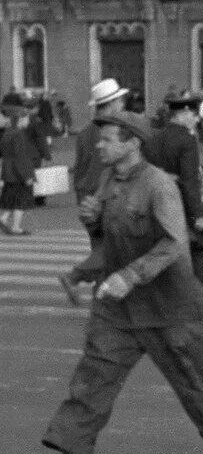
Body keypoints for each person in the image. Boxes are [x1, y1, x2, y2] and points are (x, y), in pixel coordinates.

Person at [24, 112, 203, 454]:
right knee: (93, 376)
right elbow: (113, 241)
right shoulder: (109, 179)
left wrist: (131, 276)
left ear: (131, 143)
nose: (98, 145)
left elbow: (174, 242)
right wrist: (89, 230)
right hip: (118, 306)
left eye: (107, 139)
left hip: (167, 302)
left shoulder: (159, 185)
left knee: (190, 374)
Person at [58, 80, 133, 301]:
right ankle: (75, 278)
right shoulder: (113, 131)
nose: (123, 104)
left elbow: (79, 169)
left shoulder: (83, 133)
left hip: (86, 195)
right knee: (109, 250)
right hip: (105, 196)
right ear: (110, 104)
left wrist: (82, 197)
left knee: (101, 247)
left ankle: (98, 292)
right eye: (120, 100)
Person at [146, 96, 203, 287]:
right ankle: (200, 300)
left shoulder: (154, 137)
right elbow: (190, 180)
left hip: (158, 202)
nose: (196, 119)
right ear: (182, 114)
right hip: (182, 202)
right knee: (198, 248)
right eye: (193, 114)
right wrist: (199, 214)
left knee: (164, 250)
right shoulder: (187, 139)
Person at [0, 102, 40, 235]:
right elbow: (20, 157)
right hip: (18, 173)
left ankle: (4, 219)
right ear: (20, 119)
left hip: (8, 172)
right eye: (26, 118)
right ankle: (16, 227)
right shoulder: (19, 135)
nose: (28, 121)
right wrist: (27, 176)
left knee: (10, 198)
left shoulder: (7, 133)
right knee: (21, 200)